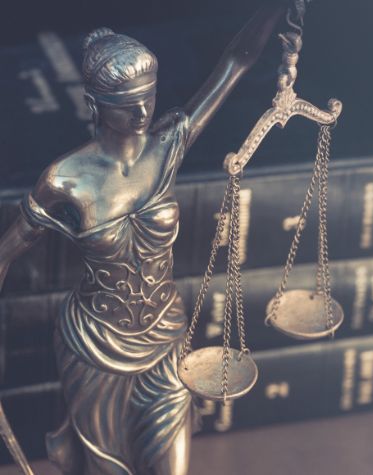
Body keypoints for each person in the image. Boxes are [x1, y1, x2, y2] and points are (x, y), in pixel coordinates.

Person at [0, 5, 284, 474]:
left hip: (165, 337)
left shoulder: (167, 146)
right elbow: (7, 251)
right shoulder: (65, 179)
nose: (140, 111)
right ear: (94, 105)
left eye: (147, 99)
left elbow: (237, 61)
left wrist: (277, 9)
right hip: (94, 345)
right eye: (126, 103)